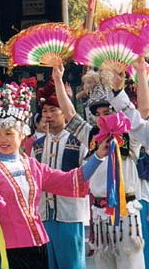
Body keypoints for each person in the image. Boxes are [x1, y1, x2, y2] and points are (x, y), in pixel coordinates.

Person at [0, 82, 108, 269]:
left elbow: (70, 181)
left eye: (9, 133)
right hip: (6, 246)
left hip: (38, 243)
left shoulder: (32, 166)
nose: (3, 139)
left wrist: (98, 156)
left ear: (22, 135)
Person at [54, 63, 146, 269]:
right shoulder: (91, 136)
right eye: (100, 113)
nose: (104, 117)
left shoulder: (131, 137)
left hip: (126, 213)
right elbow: (69, 115)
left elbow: (142, 114)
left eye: (108, 112)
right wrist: (58, 80)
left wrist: (139, 73)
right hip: (100, 215)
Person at [30, 79, 89, 269]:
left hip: (70, 214)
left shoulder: (79, 140)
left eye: (53, 110)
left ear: (65, 112)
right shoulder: (37, 145)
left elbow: (87, 174)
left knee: (72, 263)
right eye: (45, 111)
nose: (48, 115)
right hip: (44, 214)